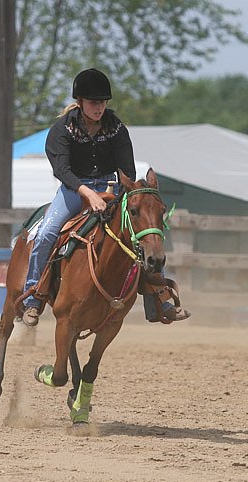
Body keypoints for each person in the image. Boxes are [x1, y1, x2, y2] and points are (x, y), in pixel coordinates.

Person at [22, 67, 189, 326]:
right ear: (80, 102)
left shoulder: (116, 128)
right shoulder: (62, 129)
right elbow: (62, 170)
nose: (98, 107)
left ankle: (160, 301)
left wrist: (119, 191)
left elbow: (128, 169)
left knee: (143, 233)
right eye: (93, 102)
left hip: (112, 188)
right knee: (47, 232)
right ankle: (33, 298)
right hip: (74, 190)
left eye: (102, 102)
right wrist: (88, 193)